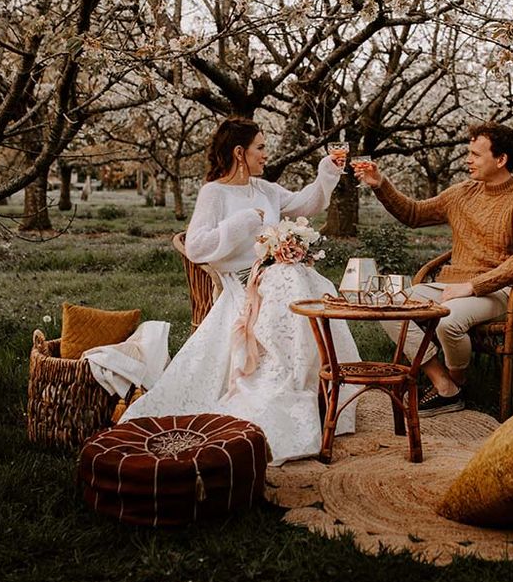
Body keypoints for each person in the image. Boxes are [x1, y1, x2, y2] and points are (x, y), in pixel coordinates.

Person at [122, 116, 361, 465]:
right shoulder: (214, 193)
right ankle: (281, 389)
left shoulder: (266, 189)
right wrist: (242, 223)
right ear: (239, 152)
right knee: (295, 283)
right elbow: (197, 247)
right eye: (260, 148)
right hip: (243, 284)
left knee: (311, 284)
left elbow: (306, 203)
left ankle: (312, 385)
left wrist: (328, 170)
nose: (266, 154)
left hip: (280, 276)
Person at [354, 122, 513, 417]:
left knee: (447, 322)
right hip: (451, 286)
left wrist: (473, 286)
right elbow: (414, 214)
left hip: (497, 292)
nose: (467, 160)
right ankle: (444, 384)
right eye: (468, 153)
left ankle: (458, 383)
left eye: (475, 154)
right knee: (388, 305)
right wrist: (380, 183)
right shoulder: (461, 193)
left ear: (501, 159)